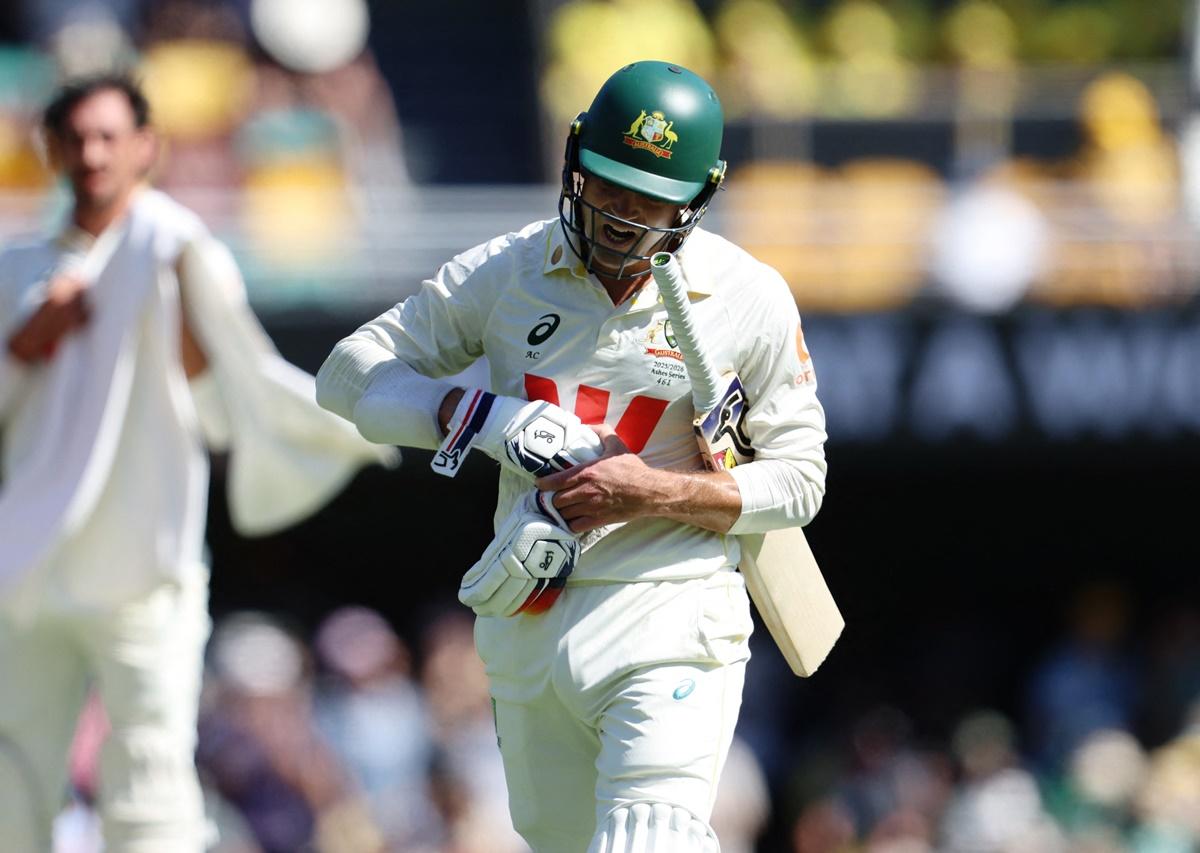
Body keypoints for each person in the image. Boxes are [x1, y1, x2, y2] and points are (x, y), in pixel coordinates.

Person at [316, 59, 827, 852]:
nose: (622, 216)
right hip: (528, 608)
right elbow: (348, 373)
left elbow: (799, 482)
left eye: (650, 197)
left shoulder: (746, 296)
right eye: (608, 183)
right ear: (574, 159)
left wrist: (649, 492)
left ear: (699, 196)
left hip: (672, 604)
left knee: (647, 835)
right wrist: (481, 415)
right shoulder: (508, 270)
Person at [0, 72, 395, 852]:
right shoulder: (17, 269)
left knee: (151, 771)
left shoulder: (174, 248)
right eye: (77, 137)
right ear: (49, 148)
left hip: (145, 562)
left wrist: (183, 330)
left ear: (148, 146)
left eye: (111, 135)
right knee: (15, 767)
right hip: (29, 561)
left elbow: (224, 402)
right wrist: (31, 337)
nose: (93, 153)